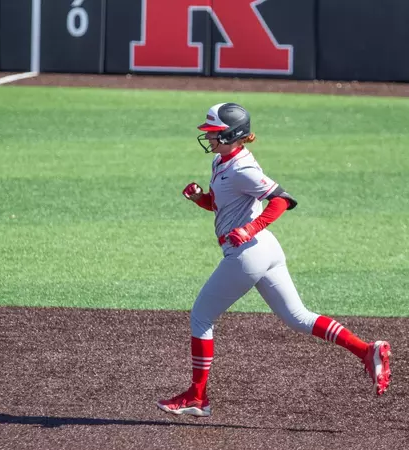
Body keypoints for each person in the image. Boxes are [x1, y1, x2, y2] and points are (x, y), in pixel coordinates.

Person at [156, 103, 391, 417]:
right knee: (298, 317)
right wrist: (201, 198)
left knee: (201, 317)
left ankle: (197, 397)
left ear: (229, 134)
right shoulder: (221, 161)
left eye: (213, 132)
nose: (208, 137)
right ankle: (366, 350)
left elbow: (282, 199)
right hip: (265, 250)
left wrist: (251, 227)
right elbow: (222, 205)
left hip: (248, 253)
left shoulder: (242, 168)